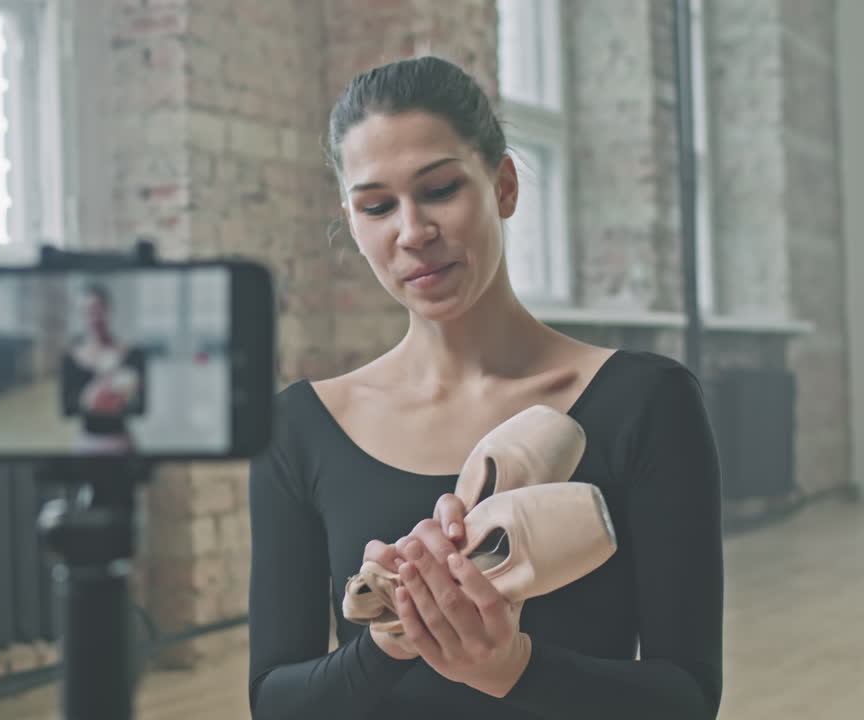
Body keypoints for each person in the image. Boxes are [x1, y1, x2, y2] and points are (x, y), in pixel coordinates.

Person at [246, 55, 723, 719]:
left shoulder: (647, 402)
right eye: (377, 205)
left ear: (503, 186)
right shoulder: (299, 427)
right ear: (353, 224)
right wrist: (391, 638)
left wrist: (510, 669)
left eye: (440, 189)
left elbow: (687, 698)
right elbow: (274, 702)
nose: (412, 232)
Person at [60, 282, 146, 454]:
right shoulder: (70, 357)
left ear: (109, 310)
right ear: (80, 314)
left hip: (121, 442)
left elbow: (141, 407)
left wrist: (120, 401)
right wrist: (88, 400)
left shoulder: (131, 353)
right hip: (86, 443)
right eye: (87, 311)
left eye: (99, 309)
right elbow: (67, 409)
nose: (94, 317)